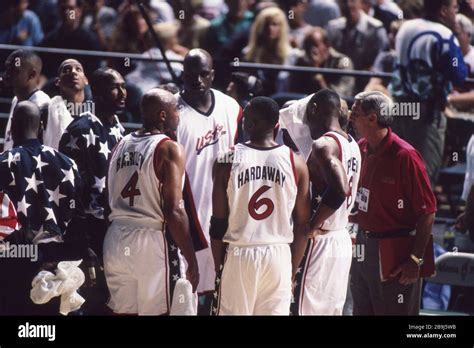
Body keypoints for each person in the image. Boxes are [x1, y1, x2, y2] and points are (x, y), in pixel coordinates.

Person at [210, 96, 311, 315]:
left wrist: (219, 267)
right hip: (279, 255)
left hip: (240, 254)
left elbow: (218, 222)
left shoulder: (227, 160)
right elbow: (303, 225)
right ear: (277, 125)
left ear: (247, 123)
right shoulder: (297, 163)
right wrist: (291, 269)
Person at [104, 88, 199, 315]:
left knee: (123, 312)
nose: (179, 114)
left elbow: (106, 195)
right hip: (151, 241)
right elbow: (173, 209)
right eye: (176, 109)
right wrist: (191, 259)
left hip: (116, 239)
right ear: (162, 115)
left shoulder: (120, 144)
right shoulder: (168, 148)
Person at [349, 91, 437, 315]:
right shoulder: (360, 148)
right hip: (363, 244)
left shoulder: (406, 156)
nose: (350, 117)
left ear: (372, 118)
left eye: (355, 113)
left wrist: (415, 260)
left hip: (395, 250)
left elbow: (428, 213)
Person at [0, 101, 82, 315]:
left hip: (14, 263)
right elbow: (79, 218)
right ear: (42, 126)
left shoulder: (2, 163)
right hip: (59, 267)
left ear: (11, 128)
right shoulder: (68, 164)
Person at [176, 49, 242, 314]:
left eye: (204, 74)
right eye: (191, 75)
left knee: (225, 292)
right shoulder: (173, 113)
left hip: (227, 214)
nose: (198, 80)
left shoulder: (232, 107)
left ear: (212, 74)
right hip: (189, 216)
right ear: (183, 75)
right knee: (190, 293)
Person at [291, 89, 361, 315]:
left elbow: (341, 190)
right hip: (341, 239)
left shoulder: (323, 145)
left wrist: (311, 225)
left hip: (318, 240)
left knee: (301, 310)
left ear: (313, 110)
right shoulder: (353, 143)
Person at [390, 0, 467, 187]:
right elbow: (460, 75)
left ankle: (397, 213)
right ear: (443, 10)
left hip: (401, 106)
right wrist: (457, 32)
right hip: (426, 113)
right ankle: (417, 215)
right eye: (454, 8)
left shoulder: (405, 27)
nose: (456, 12)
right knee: (423, 175)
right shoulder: (444, 35)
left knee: (398, 168)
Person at [326, 0, 389, 92]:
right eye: (344, 1)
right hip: (339, 82)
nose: (348, 5)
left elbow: (381, 62)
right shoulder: (333, 27)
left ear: (360, 2)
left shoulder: (375, 28)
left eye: (352, 1)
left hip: (365, 83)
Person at [244, 7, 302, 95]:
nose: (269, 28)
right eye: (266, 24)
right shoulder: (248, 54)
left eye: (274, 24)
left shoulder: (292, 56)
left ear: (281, 27)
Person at [2, 49, 51, 152]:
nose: (7, 74)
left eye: (14, 70)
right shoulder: (16, 99)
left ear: (31, 74)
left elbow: (50, 147)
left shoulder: (43, 104)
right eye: (7, 68)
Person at [40, 0, 102, 78]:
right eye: (63, 8)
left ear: (79, 11)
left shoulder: (90, 40)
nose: (67, 12)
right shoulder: (50, 40)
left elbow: (94, 71)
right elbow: (45, 70)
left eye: (71, 8)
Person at [289, 27, 355, 97]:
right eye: (308, 47)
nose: (312, 51)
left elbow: (339, 98)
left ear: (327, 45)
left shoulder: (343, 62)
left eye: (315, 45)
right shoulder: (302, 61)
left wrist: (316, 72)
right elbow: (293, 91)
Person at [44, 59, 90, 150]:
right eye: (67, 70)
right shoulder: (45, 112)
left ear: (85, 80)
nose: (73, 72)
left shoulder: (95, 113)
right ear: (58, 82)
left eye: (78, 69)